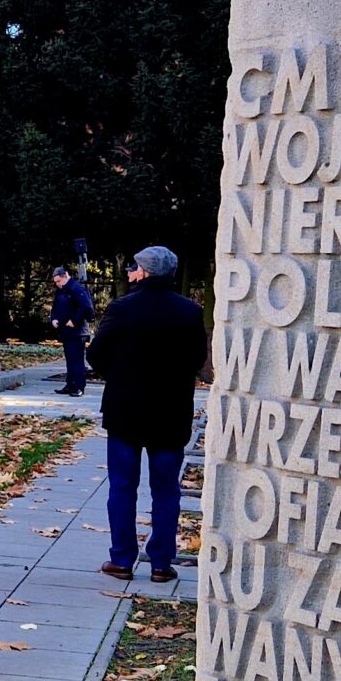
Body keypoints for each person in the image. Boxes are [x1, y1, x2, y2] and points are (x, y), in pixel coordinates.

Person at [85, 245, 206, 584]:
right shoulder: (189, 312)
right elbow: (197, 360)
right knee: (166, 489)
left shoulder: (123, 308)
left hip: (126, 411)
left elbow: (95, 355)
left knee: (123, 486)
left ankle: (122, 559)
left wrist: (121, 376)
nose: (130, 273)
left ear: (144, 272)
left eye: (134, 268)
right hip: (170, 411)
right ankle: (161, 563)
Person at [50, 262, 96, 397]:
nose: (57, 284)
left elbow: (86, 308)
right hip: (65, 330)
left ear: (65, 276)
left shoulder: (76, 288)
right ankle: (70, 384)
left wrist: (74, 320)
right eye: (56, 282)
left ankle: (79, 386)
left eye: (59, 281)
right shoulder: (61, 290)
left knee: (77, 360)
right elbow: (55, 307)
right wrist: (53, 319)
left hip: (77, 331)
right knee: (70, 359)